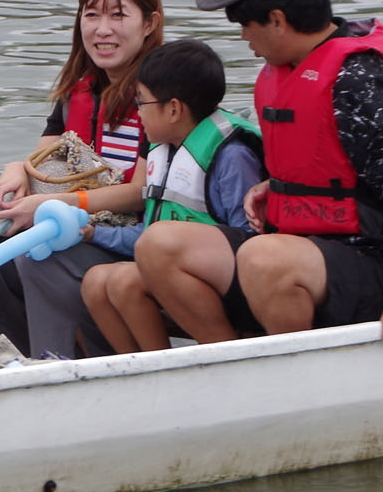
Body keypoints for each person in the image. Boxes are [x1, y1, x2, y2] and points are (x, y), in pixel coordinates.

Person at [197, 0, 383, 348]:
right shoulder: (288, 67)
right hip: (307, 255)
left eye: (245, 23)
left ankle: (301, 378)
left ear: (277, 20)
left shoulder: (359, 79)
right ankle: (235, 360)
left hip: (372, 263)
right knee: (163, 246)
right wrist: (274, 187)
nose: (244, 36)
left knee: (262, 257)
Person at [0, 0, 165, 359]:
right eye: (91, 14)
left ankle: (54, 363)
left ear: (149, 23)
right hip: (74, 218)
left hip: (131, 234)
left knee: (40, 257)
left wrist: (63, 203)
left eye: (118, 15)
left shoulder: (160, 92)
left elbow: (141, 192)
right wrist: (14, 174)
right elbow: (44, 157)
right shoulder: (79, 88)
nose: (102, 29)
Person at [80, 39, 266, 352]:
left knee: (126, 282)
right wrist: (93, 233)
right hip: (170, 266)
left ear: (174, 108)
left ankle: (224, 356)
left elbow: (248, 246)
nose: (137, 113)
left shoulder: (232, 158)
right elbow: (149, 236)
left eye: (141, 102)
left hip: (228, 283)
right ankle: (143, 373)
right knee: (96, 281)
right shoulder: (163, 152)